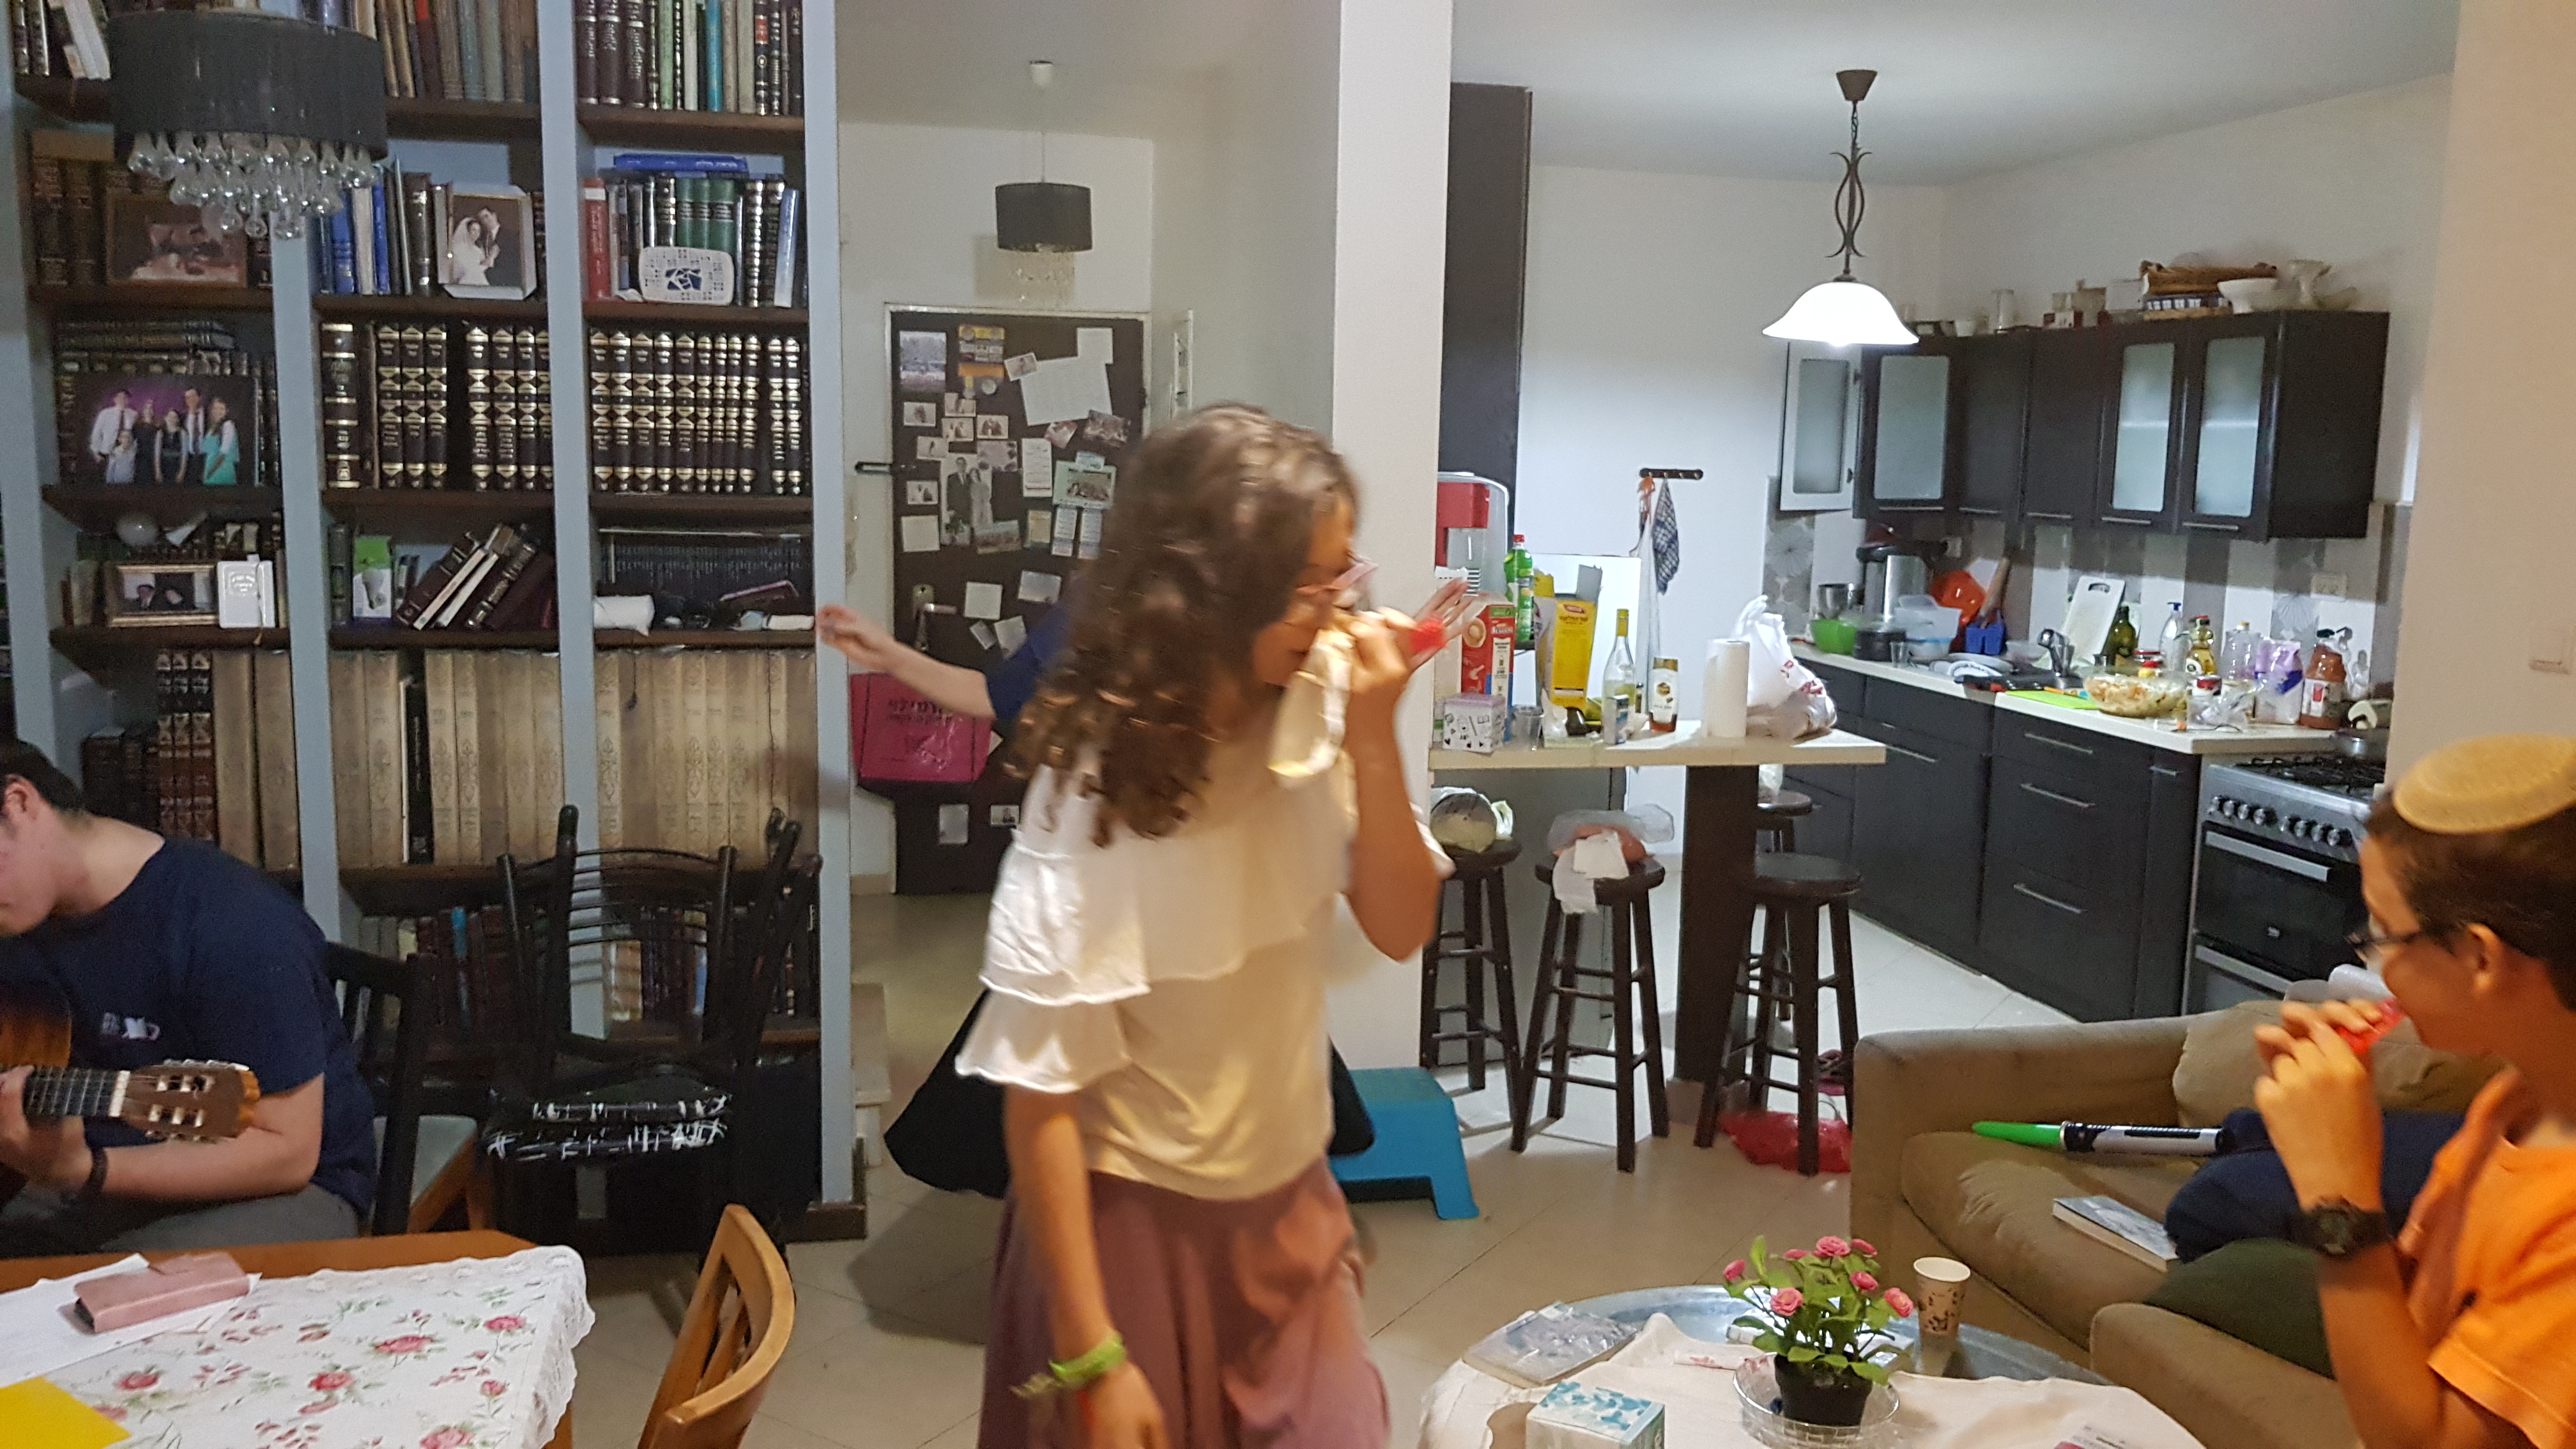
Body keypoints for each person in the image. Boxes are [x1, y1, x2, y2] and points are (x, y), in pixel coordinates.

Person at [962, 405, 1446, 1448]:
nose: (1338, 608)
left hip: (1290, 1210)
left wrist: (1374, 737)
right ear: (1214, 595)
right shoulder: (1091, 795)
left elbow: (1402, 923)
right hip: (1126, 1234)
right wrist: (1092, 1358)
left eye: (1342, 575)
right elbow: (1041, 1105)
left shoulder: (1319, 711)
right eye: (1310, 584)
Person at [2254, 732, 2576, 1449]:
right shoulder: (2520, 1101)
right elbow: (2416, 1328)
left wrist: (2338, 1195)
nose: (2377, 966)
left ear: (2481, 956)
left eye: (2383, 936)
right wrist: (2333, 1126)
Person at [0, 742, 377, 1255]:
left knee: (121, 1286)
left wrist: (88, 1170)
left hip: (284, 1186)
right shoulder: (22, 926)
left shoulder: (233, 925)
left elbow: (287, 1152)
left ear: (19, 804)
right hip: (90, 1175)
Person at [88, 389, 137, 486]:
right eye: (120, 397)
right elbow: (96, 433)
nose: (123, 400)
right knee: (106, 484)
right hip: (107, 453)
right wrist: (96, 452)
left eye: (125, 398)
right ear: (115, 399)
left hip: (124, 455)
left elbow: (134, 435)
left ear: (128, 400)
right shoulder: (105, 413)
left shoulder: (133, 415)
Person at [199, 397, 239, 485]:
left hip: (222, 470)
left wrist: (210, 472)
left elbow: (223, 453)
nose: (218, 412)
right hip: (210, 468)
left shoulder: (228, 426)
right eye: (215, 408)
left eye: (221, 409)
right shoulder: (211, 428)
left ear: (226, 411)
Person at [148, 408, 188, 486]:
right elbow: (157, 454)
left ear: (178, 420)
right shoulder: (160, 433)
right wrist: (158, 471)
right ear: (166, 418)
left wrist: (182, 472)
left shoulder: (182, 433)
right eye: (170, 416)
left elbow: (184, 455)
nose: (172, 419)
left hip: (177, 465)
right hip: (164, 466)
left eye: (174, 417)